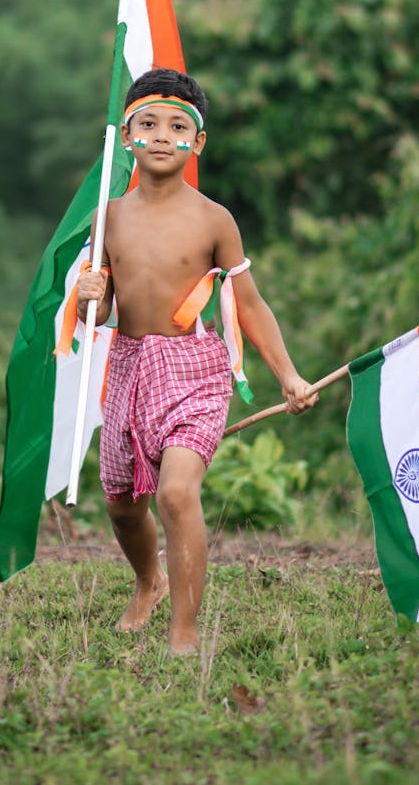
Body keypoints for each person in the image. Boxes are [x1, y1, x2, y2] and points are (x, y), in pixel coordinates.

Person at [76, 68, 318, 656]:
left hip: (195, 369)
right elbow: (100, 309)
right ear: (127, 136)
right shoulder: (109, 217)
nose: (162, 136)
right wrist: (89, 297)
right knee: (121, 502)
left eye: (178, 126)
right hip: (129, 367)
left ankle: (184, 631)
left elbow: (251, 306)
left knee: (177, 492)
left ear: (198, 142)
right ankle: (148, 581)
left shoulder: (214, 219)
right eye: (148, 124)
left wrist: (288, 374)